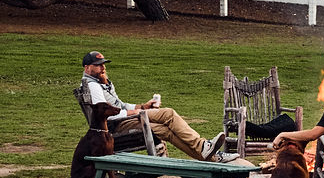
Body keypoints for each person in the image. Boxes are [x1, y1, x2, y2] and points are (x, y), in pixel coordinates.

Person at [79, 51, 235, 162]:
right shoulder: (92, 86)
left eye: (103, 64)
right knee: (168, 114)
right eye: (98, 65)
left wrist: (143, 106)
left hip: (123, 121)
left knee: (167, 131)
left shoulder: (101, 83)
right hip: (116, 126)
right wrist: (136, 112)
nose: (103, 68)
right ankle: (203, 146)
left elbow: (120, 104)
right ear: (87, 68)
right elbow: (106, 115)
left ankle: (210, 156)